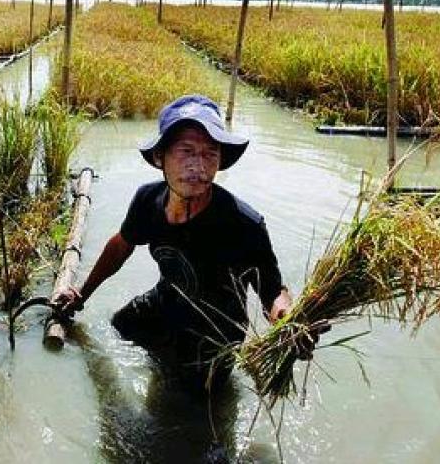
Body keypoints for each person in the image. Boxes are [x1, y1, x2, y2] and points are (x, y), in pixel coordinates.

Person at [52, 94, 297, 391]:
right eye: (186, 151)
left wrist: (287, 320)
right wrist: (81, 294)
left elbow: (273, 291)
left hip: (214, 334)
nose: (198, 165)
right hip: (167, 301)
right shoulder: (148, 200)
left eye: (210, 154)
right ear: (160, 157)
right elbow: (121, 246)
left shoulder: (243, 224)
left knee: (188, 409)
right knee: (120, 327)